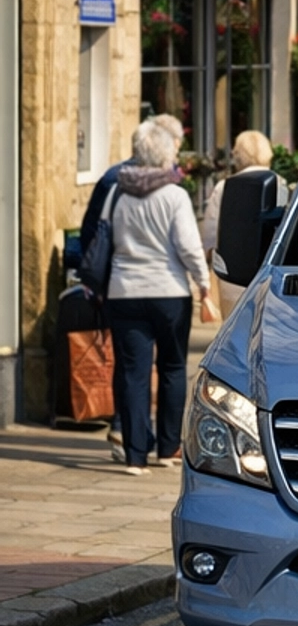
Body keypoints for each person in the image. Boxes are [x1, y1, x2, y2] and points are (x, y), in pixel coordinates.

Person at [105, 120, 216, 473]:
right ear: (167, 154)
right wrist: (204, 284)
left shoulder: (117, 193)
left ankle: (135, 455)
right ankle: (169, 448)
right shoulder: (174, 195)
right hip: (168, 292)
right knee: (171, 367)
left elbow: (108, 239)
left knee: (133, 373)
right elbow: (187, 247)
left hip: (124, 291)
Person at [80, 111, 184, 264]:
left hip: (116, 270)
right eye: (175, 149)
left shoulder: (112, 176)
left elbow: (91, 228)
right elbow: (183, 241)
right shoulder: (168, 185)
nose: (175, 157)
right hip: (154, 271)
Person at [201, 130, 275, 319]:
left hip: (232, 276)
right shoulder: (281, 185)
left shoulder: (224, 187)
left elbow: (210, 236)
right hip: (271, 276)